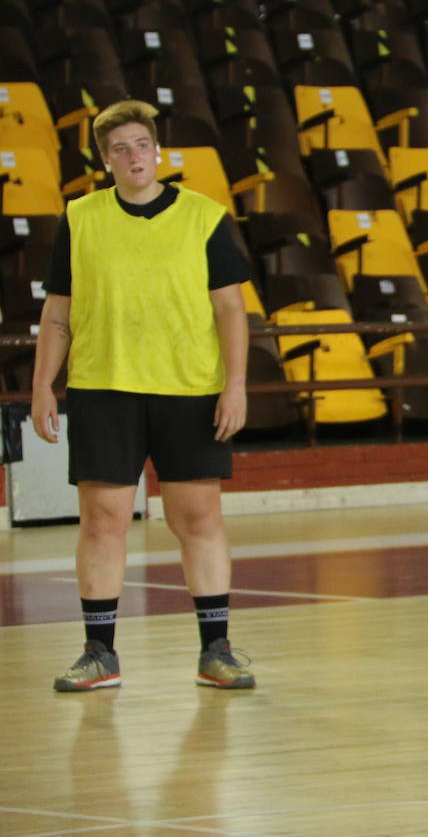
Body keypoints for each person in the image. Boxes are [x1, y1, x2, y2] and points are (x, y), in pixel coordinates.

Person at [32, 99, 256, 692]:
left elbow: (231, 309)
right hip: (104, 387)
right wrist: (42, 388)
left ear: (158, 152)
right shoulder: (79, 219)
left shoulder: (204, 216)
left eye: (141, 145)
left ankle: (216, 651)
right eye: (119, 149)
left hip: (191, 389)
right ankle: (99, 654)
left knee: (197, 519)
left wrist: (235, 385)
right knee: (102, 521)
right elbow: (58, 311)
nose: (133, 156)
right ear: (105, 161)